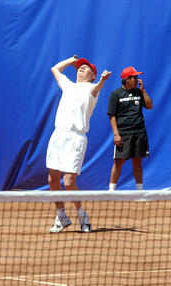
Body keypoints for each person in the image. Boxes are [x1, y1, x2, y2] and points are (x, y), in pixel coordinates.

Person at [46, 56, 111, 233]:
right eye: (80, 67)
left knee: (68, 182)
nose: (81, 68)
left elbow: (98, 88)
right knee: (52, 179)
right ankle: (61, 216)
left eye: (86, 67)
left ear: (92, 76)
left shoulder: (91, 89)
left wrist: (102, 80)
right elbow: (55, 69)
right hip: (58, 134)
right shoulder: (68, 85)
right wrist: (71, 60)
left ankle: (83, 216)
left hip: (76, 138)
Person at [107, 66, 152, 191]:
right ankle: (111, 192)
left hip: (139, 133)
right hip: (124, 134)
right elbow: (112, 115)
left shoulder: (138, 92)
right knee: (118, 163)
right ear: (127, 79)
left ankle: (139, 191)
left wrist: (143, 91)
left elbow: (149, 106)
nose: (137, 79)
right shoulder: (115, 94)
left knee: (137, 162)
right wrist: (116, 134)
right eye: (135, 77)